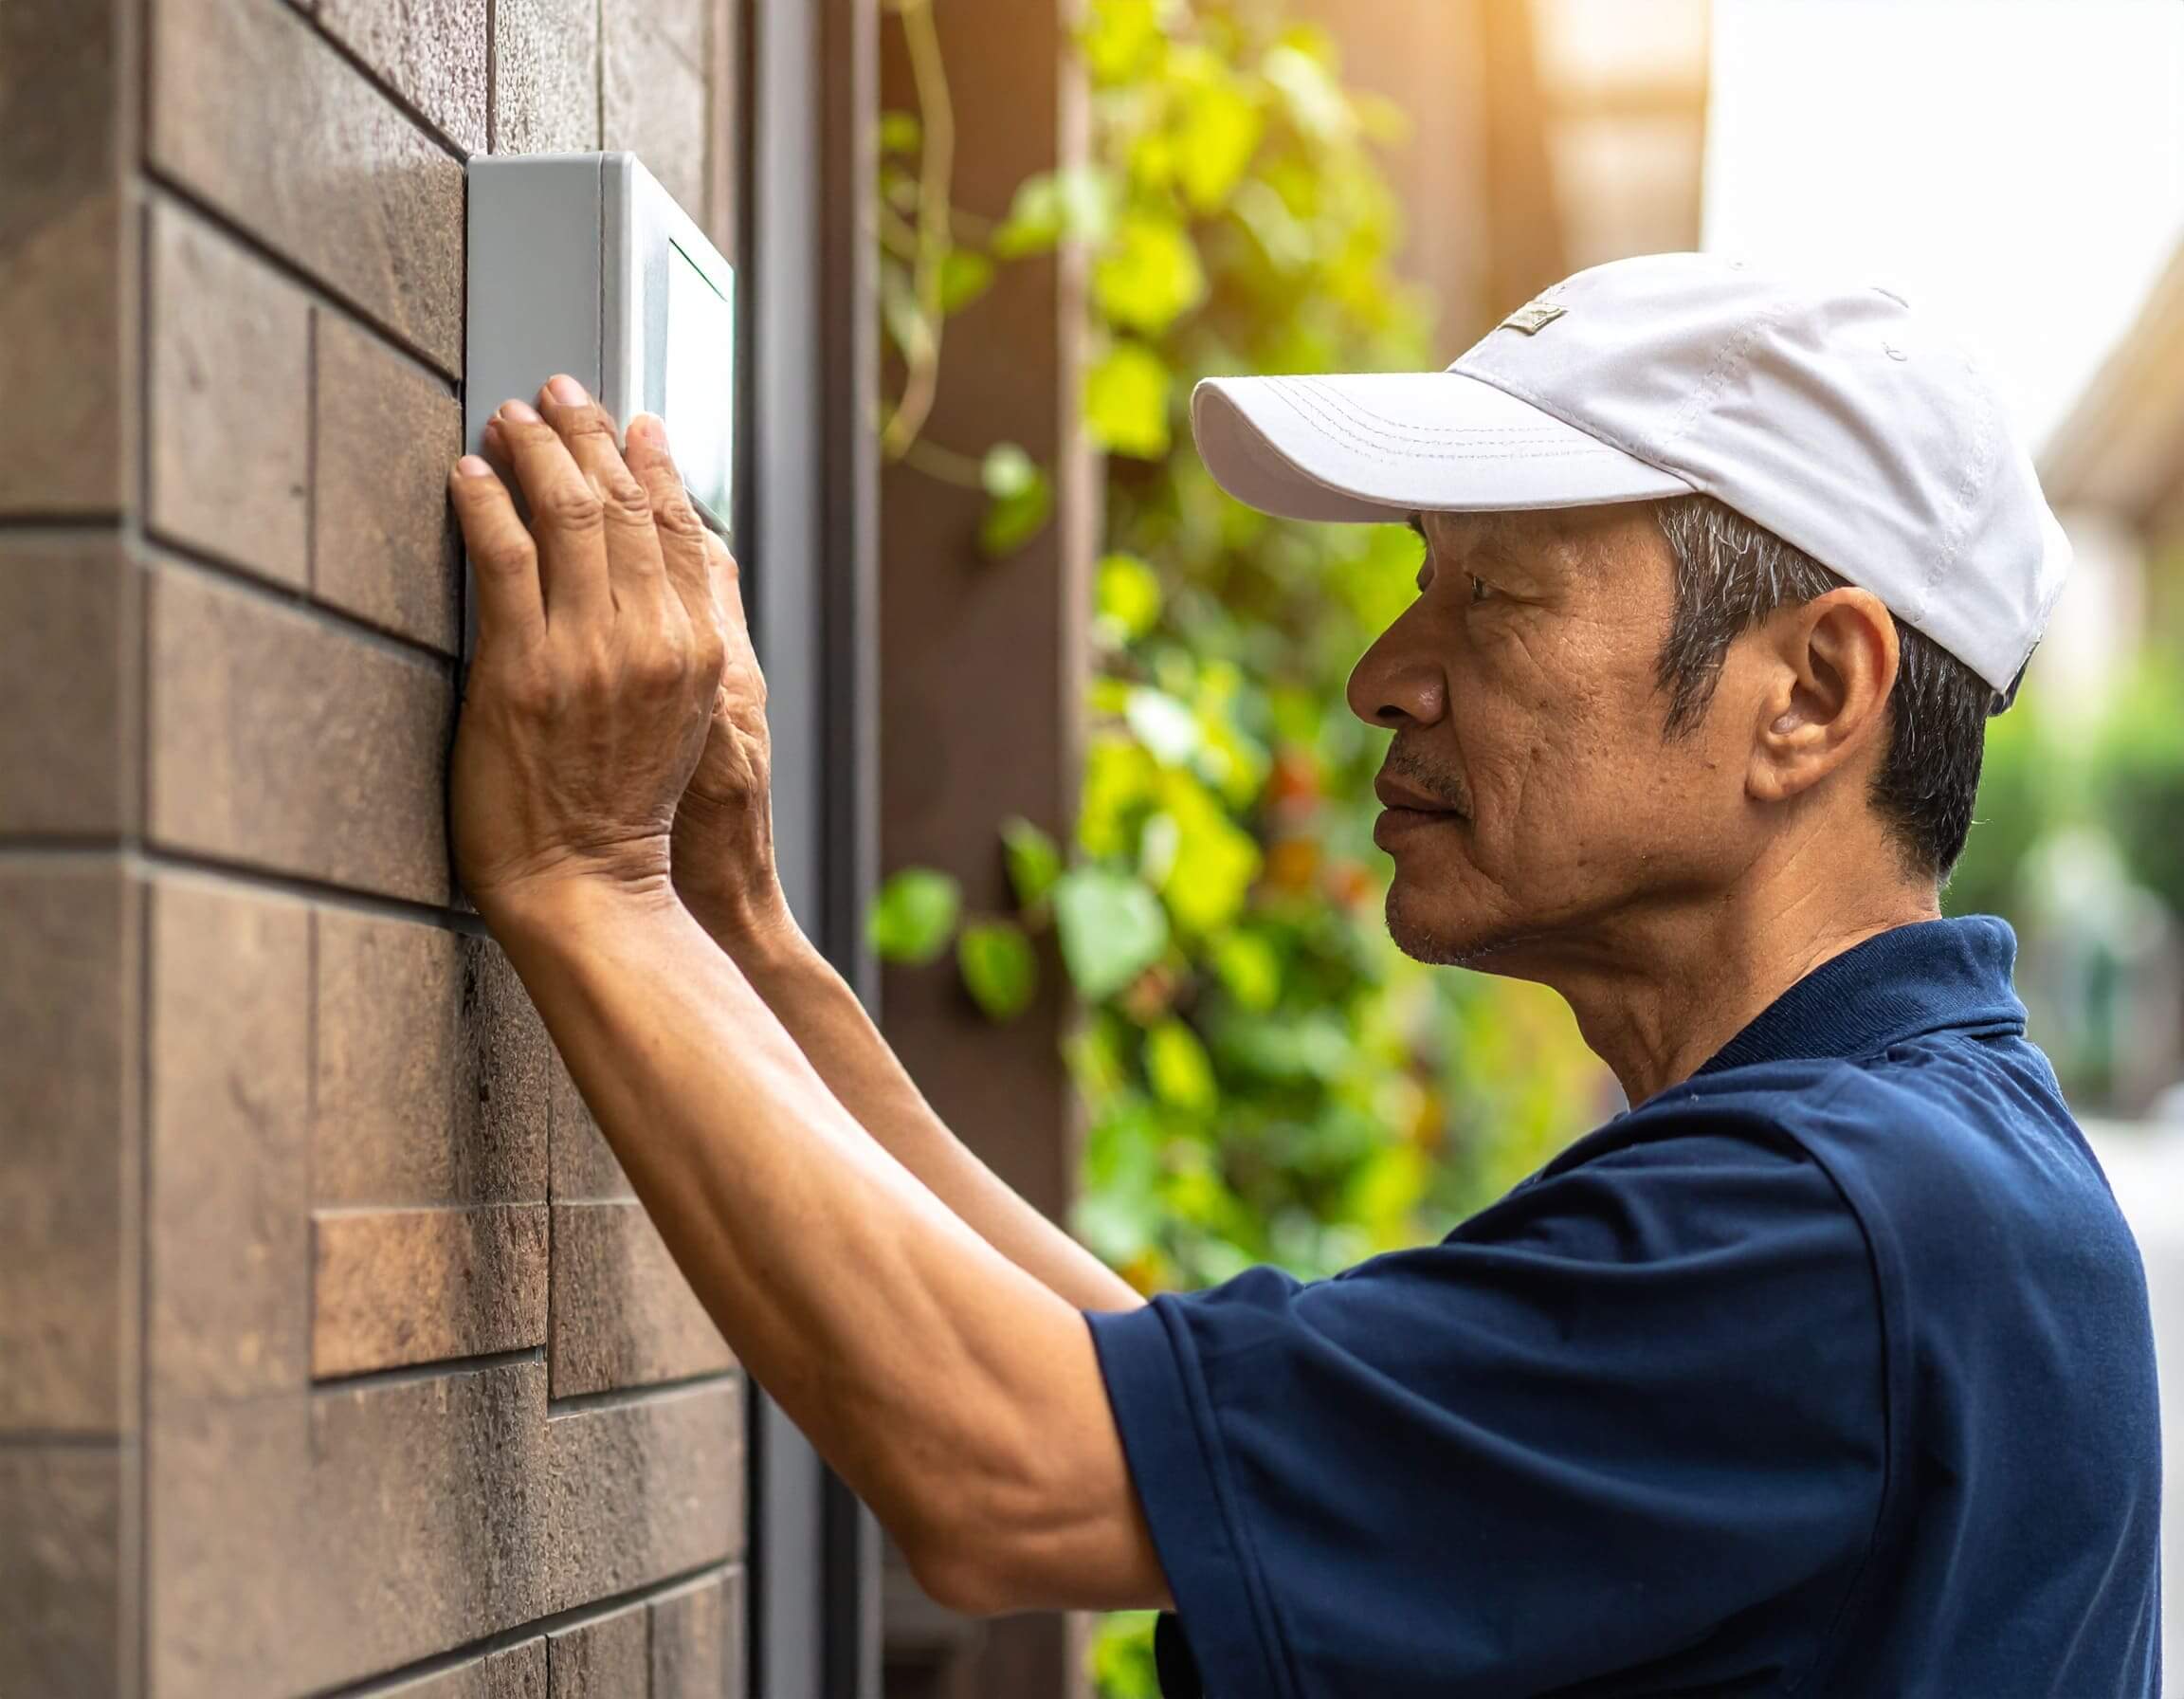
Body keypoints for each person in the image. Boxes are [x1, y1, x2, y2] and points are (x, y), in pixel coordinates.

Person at [446, 251, 2161, 1697]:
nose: (1382, 673)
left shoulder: (1826, 1229)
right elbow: (1162, 1419)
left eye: (1498, 598)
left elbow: (1012, 1465)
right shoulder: (1925, 1179)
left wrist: (585, 881)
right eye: (1424, 582)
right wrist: (740, 933)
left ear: (1811, 693)